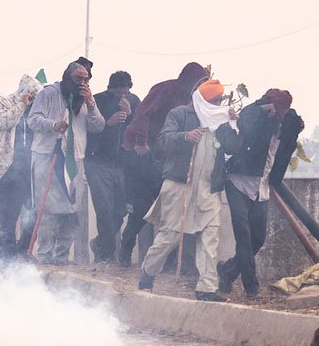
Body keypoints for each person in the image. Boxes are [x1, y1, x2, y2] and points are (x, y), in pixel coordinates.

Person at [138, 79, 233, 297]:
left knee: (210, 237)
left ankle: (207, 288)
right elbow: (162, 140)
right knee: (170, 236)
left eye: (219, 100)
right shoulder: (180, 114)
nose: (217, 104)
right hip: (180, 185)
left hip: (209, 189)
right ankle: (148, 271)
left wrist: (234, 124)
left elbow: (234, 146)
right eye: (213, 100)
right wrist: (185, 137)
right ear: (201, 99)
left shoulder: (221, 120)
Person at [119, 62, 208, 265]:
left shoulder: (194, 101)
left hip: (165, 161)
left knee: (169, 213)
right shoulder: (166, 88)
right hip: (142, 154)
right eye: (199, 82)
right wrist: (141, 140)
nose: (199, 87)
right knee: (140, 210)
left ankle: (168, 262)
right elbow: (143, 113)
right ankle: (125, 251)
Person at [217, 89, 301, 297]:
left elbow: (285, 149)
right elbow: (243, 121)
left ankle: (228, 271)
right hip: (239, 182)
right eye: (276, 111)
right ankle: (251, 288)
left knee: (258, 239)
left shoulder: (289, 123)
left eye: (282, 112)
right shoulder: (255, 114)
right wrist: (264, 109)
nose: (278, 116)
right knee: (244, 237)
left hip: (262, 187)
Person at [26, 60, 105, 264]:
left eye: (86, 79)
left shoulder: (86, 99)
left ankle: (61, 258)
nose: (82, 83)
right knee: (48, 210)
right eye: (78, 78)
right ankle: (44, 257)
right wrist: (53, 125)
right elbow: (32, 119)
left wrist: (91, 104)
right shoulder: (50, 93)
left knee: (71, 212)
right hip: (48, 156)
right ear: (68, 77)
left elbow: (98, 127)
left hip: (74, 158)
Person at [85, 71, 140, 263]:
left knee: (121, 209)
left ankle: (99, 244)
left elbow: (138, 129)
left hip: (122, 165)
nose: (123, 97)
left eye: (126, 93)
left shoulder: (134, 101)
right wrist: (108, 123)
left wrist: (130, 115)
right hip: (98, 162)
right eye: (118, 94)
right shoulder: (98, 101)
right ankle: (105, 256)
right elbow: (89, 131)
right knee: (104, 209)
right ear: (110, 90)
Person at [0, 75, 40, 256]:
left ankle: (23, 248)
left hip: (28, 167)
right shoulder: (3, 103)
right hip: (6, 167)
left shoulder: (36, 108)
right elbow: (3, 123)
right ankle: (6, 254)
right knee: (7, 214)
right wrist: (22, 106)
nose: (32, 98)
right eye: (30, 94)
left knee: (32, 211)